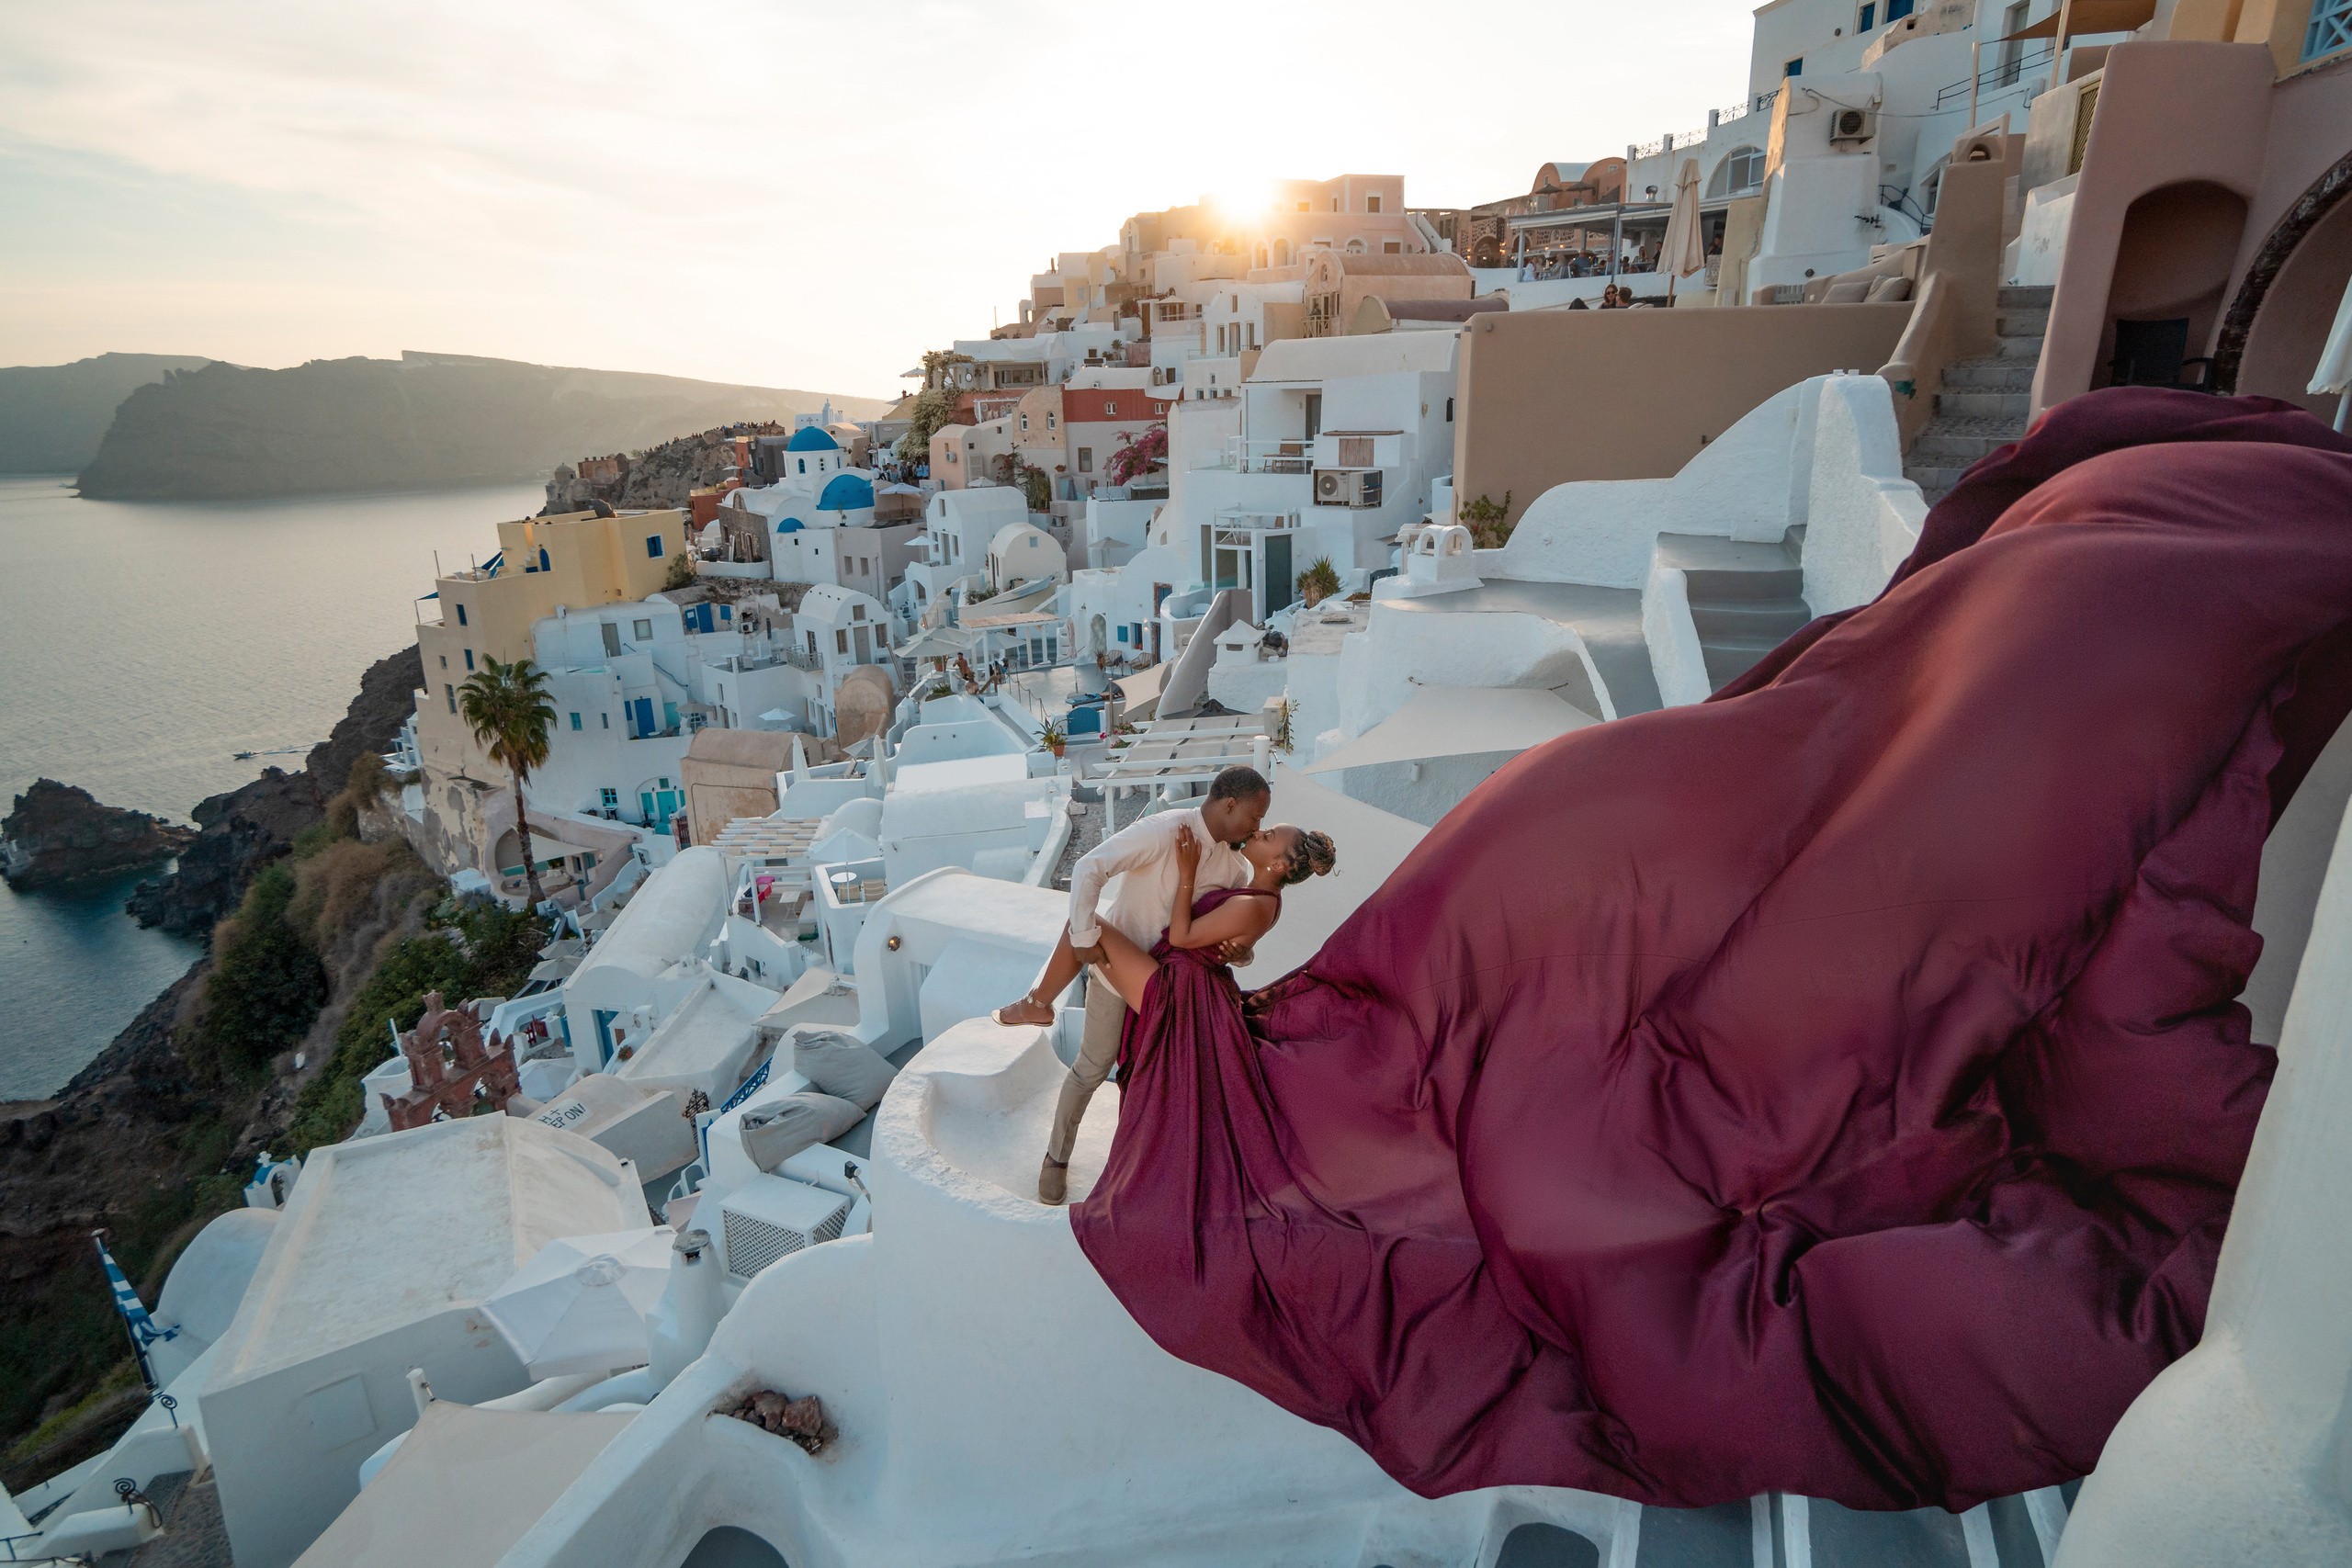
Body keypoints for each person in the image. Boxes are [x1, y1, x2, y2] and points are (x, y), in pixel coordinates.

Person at [993, 765, 1272, 1203]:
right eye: (1255, 817)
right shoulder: (1164, 831)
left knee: (1146, 1080)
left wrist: (1243, 952)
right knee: (1091, 1068)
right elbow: (1089, 867)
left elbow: (1226, 930)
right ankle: (1055, 1159)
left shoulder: (1235, 869)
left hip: (1167, 991)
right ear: (1230, 804)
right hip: (1113, 971)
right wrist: (1085, 940)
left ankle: (1138, 1172)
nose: (1258, 827)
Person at [1086, 819, 1339, 1058]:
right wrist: (1244, 954)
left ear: (1278, 865)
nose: (1258, 833)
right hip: (1193, 981)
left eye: (1267, 837)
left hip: (1179, 988)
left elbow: (1180, 936)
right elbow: (1238, 936)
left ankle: (1044, 1004)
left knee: (1087, 924)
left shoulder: (1252, 905)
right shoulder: (1266, 899)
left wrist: (1188, 874)